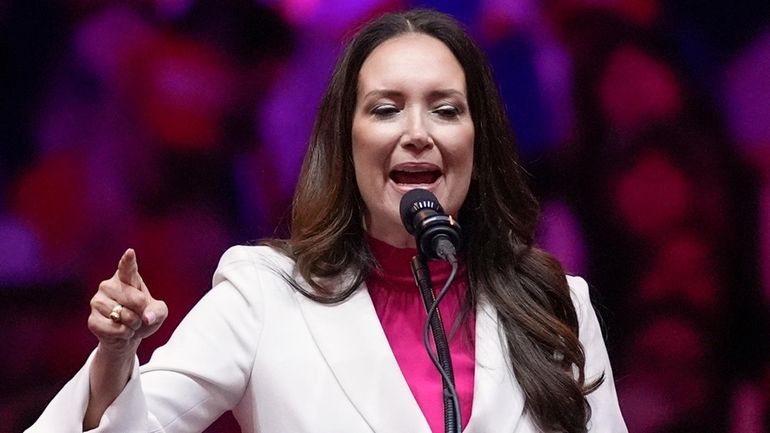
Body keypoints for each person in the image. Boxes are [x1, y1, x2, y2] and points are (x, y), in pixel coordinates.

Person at [26, 8, 626, 433]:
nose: (417, 134)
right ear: (347, 143)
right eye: (386, 109)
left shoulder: (555, 304)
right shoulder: (264, 295)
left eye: (445, 110)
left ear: (479, 140)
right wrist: (116, 353)